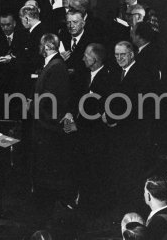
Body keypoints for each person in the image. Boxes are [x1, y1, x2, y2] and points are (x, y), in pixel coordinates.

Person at [102, 41, 157, 216]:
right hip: (120, 134)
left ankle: (134, 213)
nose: (119, 58)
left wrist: (114, 119)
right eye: (116, 55)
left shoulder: (141, 73)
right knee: (121, 173)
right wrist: (106, 114)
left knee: (133, 175)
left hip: (134, 134)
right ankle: (125, 212)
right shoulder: (118, 72)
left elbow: (137, 105)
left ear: (132, 54)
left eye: (123, 55)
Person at [63, 43, 116, 212]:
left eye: (86, 55)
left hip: (95, 135)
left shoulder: (108, 78)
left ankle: (87, 205)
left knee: (91, 169)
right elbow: (74, 101)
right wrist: (69, 121)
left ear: (95, 60)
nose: (82, 58)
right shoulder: (83, 75)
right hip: (78, 130)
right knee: (74, 162)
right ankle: (76, 199)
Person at [32, 33, 74, 224]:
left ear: (48, 45)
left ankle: (46, 211)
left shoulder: (56, 66)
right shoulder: (53, 64)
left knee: (49, 169)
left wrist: (36, 109)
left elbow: (52, 100)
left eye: (41, 45)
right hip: (45, 125)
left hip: (48, 128)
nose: (39, 48)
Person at [0, 12, 28, 119]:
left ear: (14, 23)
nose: (5, 28)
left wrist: (12, 59)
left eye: (8, 25)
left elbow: (27, 58)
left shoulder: (24, 36)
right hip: (1, 84)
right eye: (2, 25)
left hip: (18, 83)